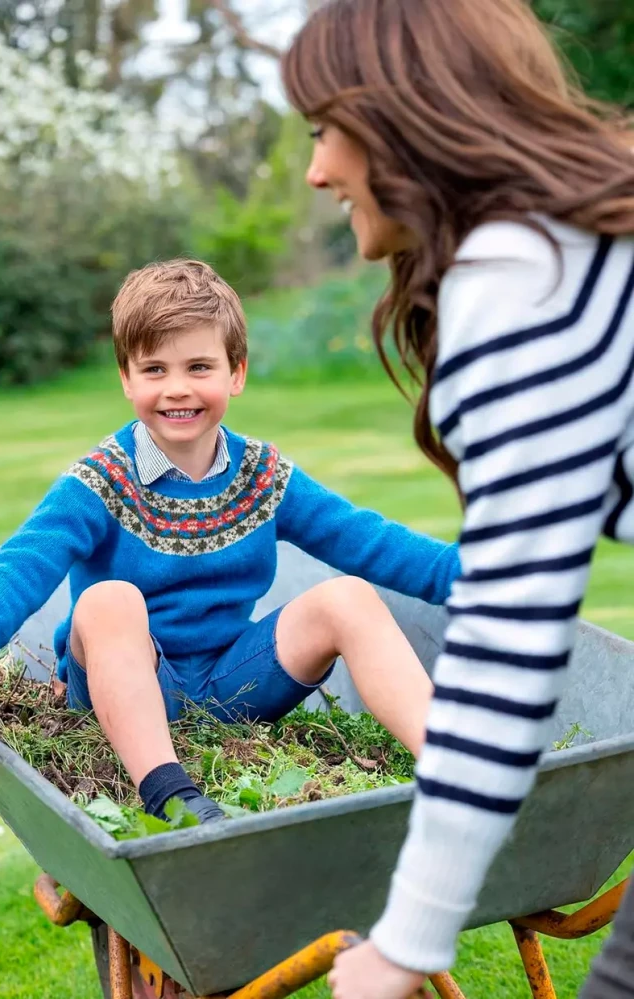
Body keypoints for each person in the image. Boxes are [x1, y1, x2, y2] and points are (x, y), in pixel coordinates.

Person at [281, 0, 634, 995]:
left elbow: (512, 639)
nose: (315, 172)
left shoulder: (519, 279)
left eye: (321, 131)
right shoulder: (575, 243)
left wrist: (405, 939)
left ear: (398, 118)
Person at [0, 258, 460, 826]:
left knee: (347, 595)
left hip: (233, 682)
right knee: (108, 600)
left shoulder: (261, 474)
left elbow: (369, 541)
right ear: (126, 378)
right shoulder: (100, 481)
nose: (177, 389)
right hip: (122, 687)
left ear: (236, 373)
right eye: (154, 369)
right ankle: (171, 796)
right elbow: (20, 567)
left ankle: (451, 769)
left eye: (200, 366)